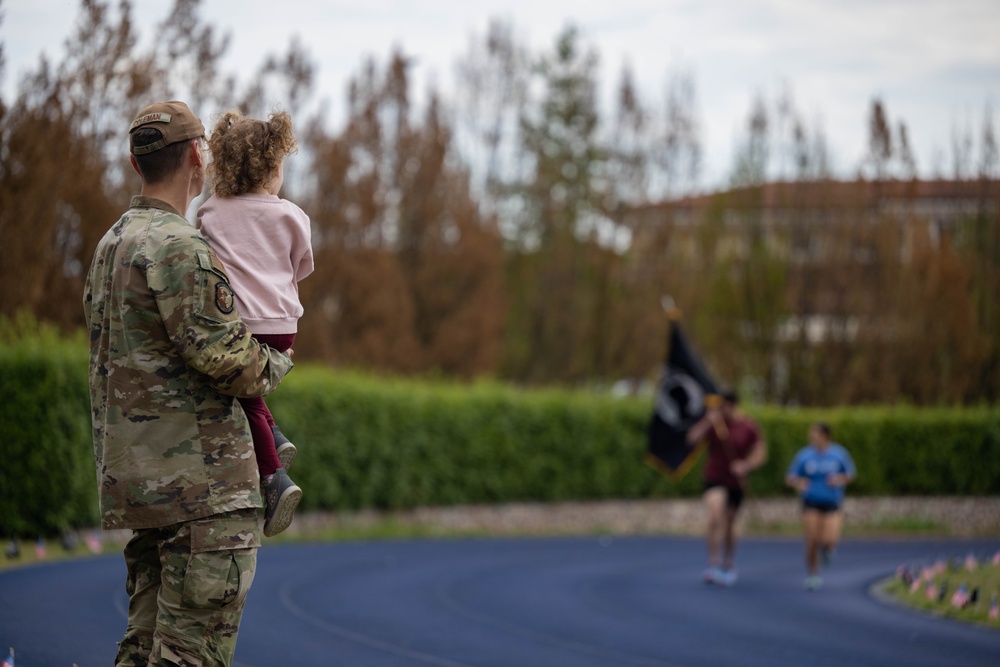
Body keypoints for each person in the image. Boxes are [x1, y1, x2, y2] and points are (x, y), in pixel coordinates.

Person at [84, 100, 294, 666]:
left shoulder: (111, 246)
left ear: (135, 162)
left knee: (144, 648)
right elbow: (233, 362)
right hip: (203, 495)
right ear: (198, 157)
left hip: (144, 488)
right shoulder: (180, 248)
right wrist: (280, 354)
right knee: (191, 656)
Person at [197, 109, 313, 538]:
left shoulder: (211, 211)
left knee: (235, 387)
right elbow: (301, 265)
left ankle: (272, 477)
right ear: (272, 170)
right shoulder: (292, 216)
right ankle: (276, 440)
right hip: (283, 326)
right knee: (248, 388)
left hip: (239, 324)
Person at [686, 390, 767, 586]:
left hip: (735, 482)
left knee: (730, 524)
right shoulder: (715, 424)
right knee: (715, 516)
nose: (723, 412)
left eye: (725, 408)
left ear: (734, 406)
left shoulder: (749, 426)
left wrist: (745, 465)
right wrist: (707, 421)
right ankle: (712, 562)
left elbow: (760, 453)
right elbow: (691, 439)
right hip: (715, 477)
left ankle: (727, 562)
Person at [785, 422, 856, 591]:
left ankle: (828, 551)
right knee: (812, 539)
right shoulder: (804, 455)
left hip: (832, 501)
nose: (812, 438)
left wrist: (839, 480)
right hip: (811, 501)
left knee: (830, 539)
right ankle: (813, 574)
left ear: (825, 436)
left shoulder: (839, 454)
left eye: (815, 435)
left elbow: (850, 474)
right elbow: (791, 477)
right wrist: (798, 483)